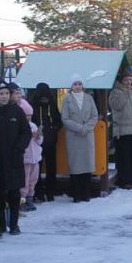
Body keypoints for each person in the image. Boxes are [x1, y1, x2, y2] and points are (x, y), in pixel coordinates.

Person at [0, 81, 31, 234]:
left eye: (6, 93)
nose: (4, 97)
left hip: (14, 159)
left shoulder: (17, 111)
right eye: (1, 94)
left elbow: (26, 133)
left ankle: (14, 224)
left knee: (14, 194)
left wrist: (19, 148)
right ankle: (1, 224)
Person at [61, 74, 99, 202]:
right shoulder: (67, 99)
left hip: (87, 135)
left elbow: (95, 115)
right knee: (76, 166)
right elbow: (65, 118)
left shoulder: (89, 98)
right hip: (74, 136)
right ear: (71, 86)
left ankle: (86, 194)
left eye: (79, 84)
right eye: (75, 84)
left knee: (87, 165)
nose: (77, 87)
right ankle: (76, 194)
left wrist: (87, 128)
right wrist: (79, 128)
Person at [30, 83, 62, 201]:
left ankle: (47, 191)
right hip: (38, 140)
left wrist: (54, 128)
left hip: (49, 139)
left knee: (47, 165)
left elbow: (58, 120)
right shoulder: (35, 104)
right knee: (41, 166)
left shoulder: (49, 104)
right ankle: (41, 191)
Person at [20, 119, 43, 212]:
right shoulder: (20, 125)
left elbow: (40, 142)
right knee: (24, 181)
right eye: (26, 115)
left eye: (30, 115)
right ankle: (22, 201)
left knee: (33, 180)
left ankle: (30, 199)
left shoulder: (33, 125)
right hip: (25, 158)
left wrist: (38, 136)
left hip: (35, 159)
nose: (28, 117)